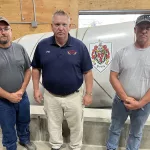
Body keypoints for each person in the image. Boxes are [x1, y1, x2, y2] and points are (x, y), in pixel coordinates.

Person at [31, 10, 93, 150]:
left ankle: (76, 147)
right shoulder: (42, 46)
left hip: (74, 96)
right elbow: (36, 69)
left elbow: (88, 72)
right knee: (53, 124)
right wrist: (36, 89)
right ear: (51, 26)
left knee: (76, 126)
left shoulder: (79, 46)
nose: (61, 28)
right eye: (57, 24)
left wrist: (88, 94)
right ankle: (56, 145)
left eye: (64, 24)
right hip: (51, 96)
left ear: (69, 26)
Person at [106, 14, 150, 150]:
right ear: (135, 29)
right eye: (141, 27)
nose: (144, 31)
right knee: (114, 129)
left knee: (136, 134)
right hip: (121, 102)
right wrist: (125, 98)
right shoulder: (122, 53)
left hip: (144, 104)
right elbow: (113, 77)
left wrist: (140, 103)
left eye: (148, 28)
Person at [0, 17, 36, 150]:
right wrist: (9, 96)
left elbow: (28, 70)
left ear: (11, 31)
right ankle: (10, 146)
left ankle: (24, 140)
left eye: (5, 29)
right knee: (7, 126)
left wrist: (21, 90)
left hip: (22, 96)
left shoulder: (20, 48)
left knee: (24, 121)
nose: (3, 32)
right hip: (2, 100)